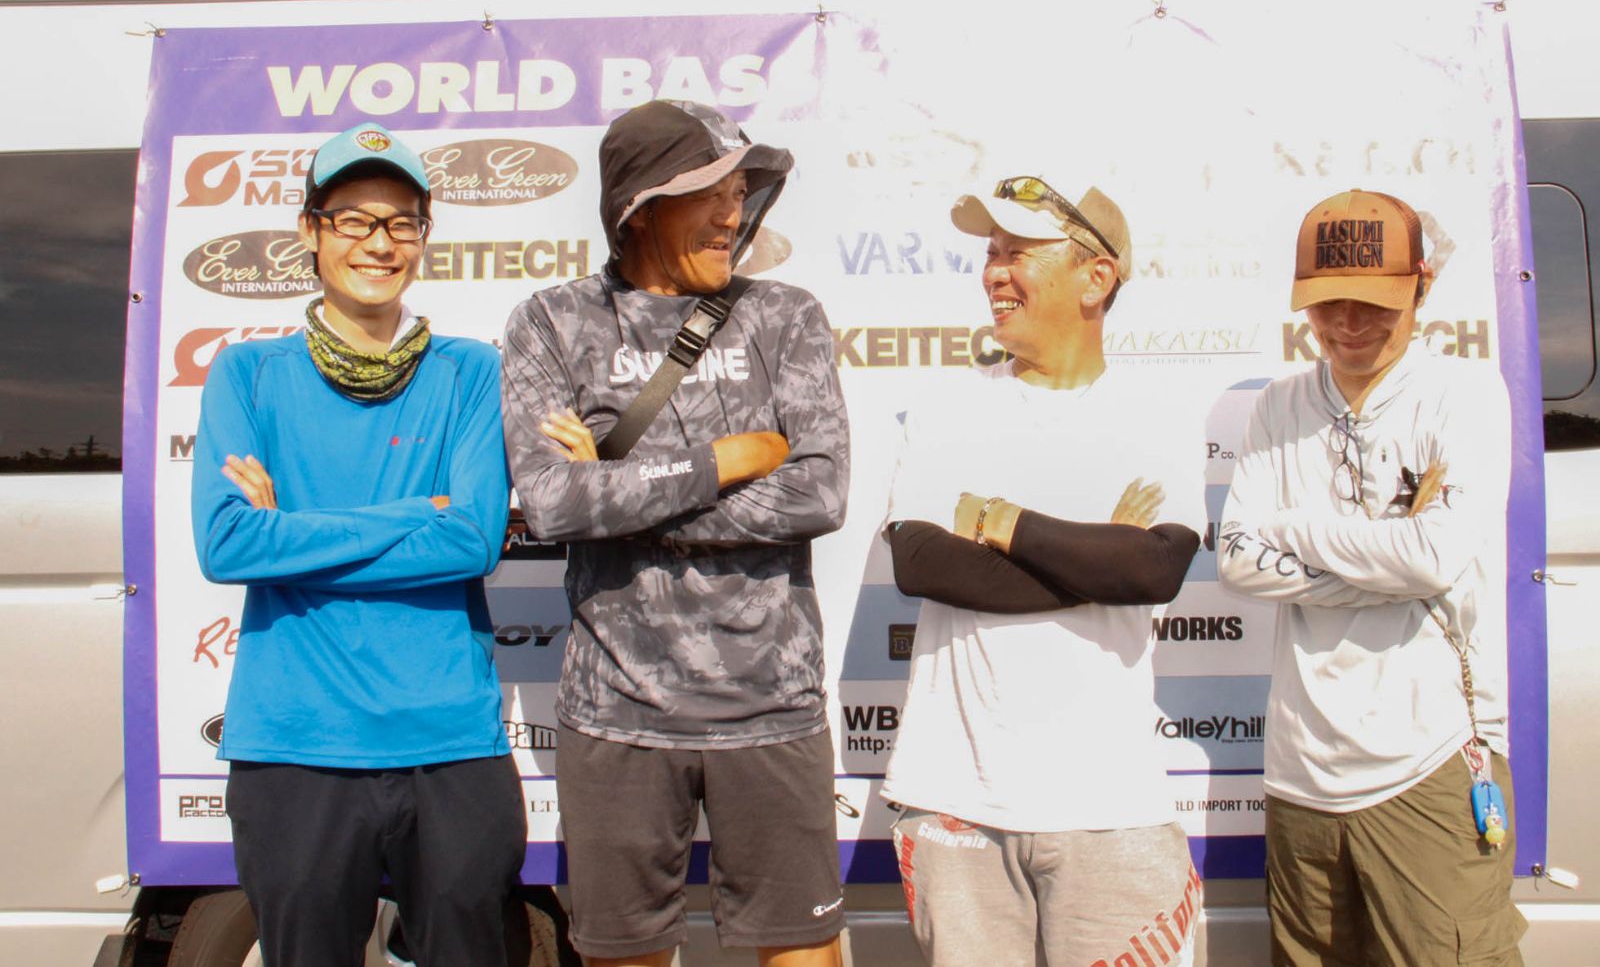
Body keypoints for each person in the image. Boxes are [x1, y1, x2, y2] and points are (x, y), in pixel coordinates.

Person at [501, 99, 851, 967]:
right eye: (710, 192)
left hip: (774, 710)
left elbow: (818, 493)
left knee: (804, 953)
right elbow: (553, 505)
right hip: (616, 718)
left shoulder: (786, 316)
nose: (733, 212)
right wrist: (729, 458)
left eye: (739, 191)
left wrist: (619, 491)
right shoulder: (552, 321)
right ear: (640, 207)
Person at [191, 121, 525, 967]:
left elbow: (472, 539)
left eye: (402, 222)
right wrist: (412, 512)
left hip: (450, 744)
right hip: (293, 747)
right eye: (353, 219)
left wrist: (291, 532)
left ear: (422, 237)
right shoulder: (246, 374)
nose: (380, 243)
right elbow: (229, 545)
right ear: (311, 230)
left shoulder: (470, 371)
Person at [881, 175, 1205, 967]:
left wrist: (1003, 523)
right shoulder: (946, 408)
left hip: (1113, 806)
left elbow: (1155, 569)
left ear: (1096, 278)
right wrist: (1098, 558)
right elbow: (923, 563)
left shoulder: (1157, 413)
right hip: (957, 802)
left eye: (1018, 252)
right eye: (991, 253)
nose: (995, 272)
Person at [1217, 188, 1526, 966]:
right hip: (1300, 775)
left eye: (1375, 303)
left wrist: (1295, 530)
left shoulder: (1466, 393)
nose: (1349, 324)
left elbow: (1434, 558)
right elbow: (1238, 561)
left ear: (1422, 285)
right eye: (1328, 304)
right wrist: (1390, 565)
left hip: (1428, 764)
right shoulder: (1279, 405)